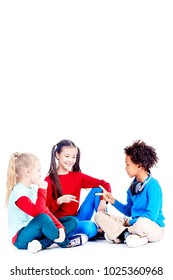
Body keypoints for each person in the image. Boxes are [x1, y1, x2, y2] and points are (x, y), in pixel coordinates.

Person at [6, 152, 88, 253]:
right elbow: (38, 213)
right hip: (21, 238)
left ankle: (41, 244)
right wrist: (42, 190)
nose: (41, 174)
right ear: (28, 172)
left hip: (37, 232)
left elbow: (45, 210)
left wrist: (60, 227)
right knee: (43, 218)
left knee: (72, 221)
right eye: (38, 170)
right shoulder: (18, 192)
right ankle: (66, 243)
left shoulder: (32, 190)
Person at [94, 140, 165, 248]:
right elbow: (129, 211)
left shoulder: (153, 186)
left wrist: (130, 222)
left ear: (139, 165)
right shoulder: (132, 187)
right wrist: (113, 201)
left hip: (152, 227)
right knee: (99, 216)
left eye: (128, 164)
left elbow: (151, 217)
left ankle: (120, 234)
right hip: (132, 223)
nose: (125, 168)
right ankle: (128, 235)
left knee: (142, 223)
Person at [45, 139, 112, 240]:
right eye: (67, 156)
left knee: (97, 190)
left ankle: (106, 228)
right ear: (57, 155)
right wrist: (60, 200)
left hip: (77, 217)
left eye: (74, 157)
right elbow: (46, 210)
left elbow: (104, 184)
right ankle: (81, 233)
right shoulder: (49, 180)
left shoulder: (77, 176)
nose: (71, 160)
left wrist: (103, 201)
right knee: (90, 227)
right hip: (62, 224)